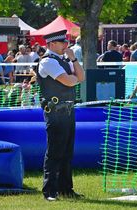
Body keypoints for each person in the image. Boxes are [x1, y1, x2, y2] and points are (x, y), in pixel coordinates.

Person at [37, 29, 85, 201]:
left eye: (65, 42)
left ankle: (66, 189)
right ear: (51, 44)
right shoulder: (48, 62)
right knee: (55, 152)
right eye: (61, 42)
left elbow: (81, 76)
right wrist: (73, 77)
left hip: (68, 111)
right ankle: (49, 191)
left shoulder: (65, 60)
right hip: (55, 112)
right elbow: (69, 81)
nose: (66, 45)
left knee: (66, 152)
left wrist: (73, 59)